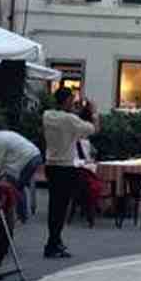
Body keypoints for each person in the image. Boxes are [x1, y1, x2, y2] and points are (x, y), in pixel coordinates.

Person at [42, 88, 98, 258]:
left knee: (53, 205)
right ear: (66, 100)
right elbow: (93, 129)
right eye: (72, 100)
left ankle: (54, 240)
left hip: (51, 164)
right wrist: (93, 112)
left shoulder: (47, 116)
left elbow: (69, 123)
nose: (74, 103)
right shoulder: (70, 119)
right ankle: (53, 243)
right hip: (65, 166)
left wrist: (76, 113)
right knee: (61, 207)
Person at [0, 128, 42, 224]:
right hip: (34, 155)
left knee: (16, 187)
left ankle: (21, 217)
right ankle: (21, 215)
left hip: (29, 159)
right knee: (17, 185)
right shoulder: (1, 134)